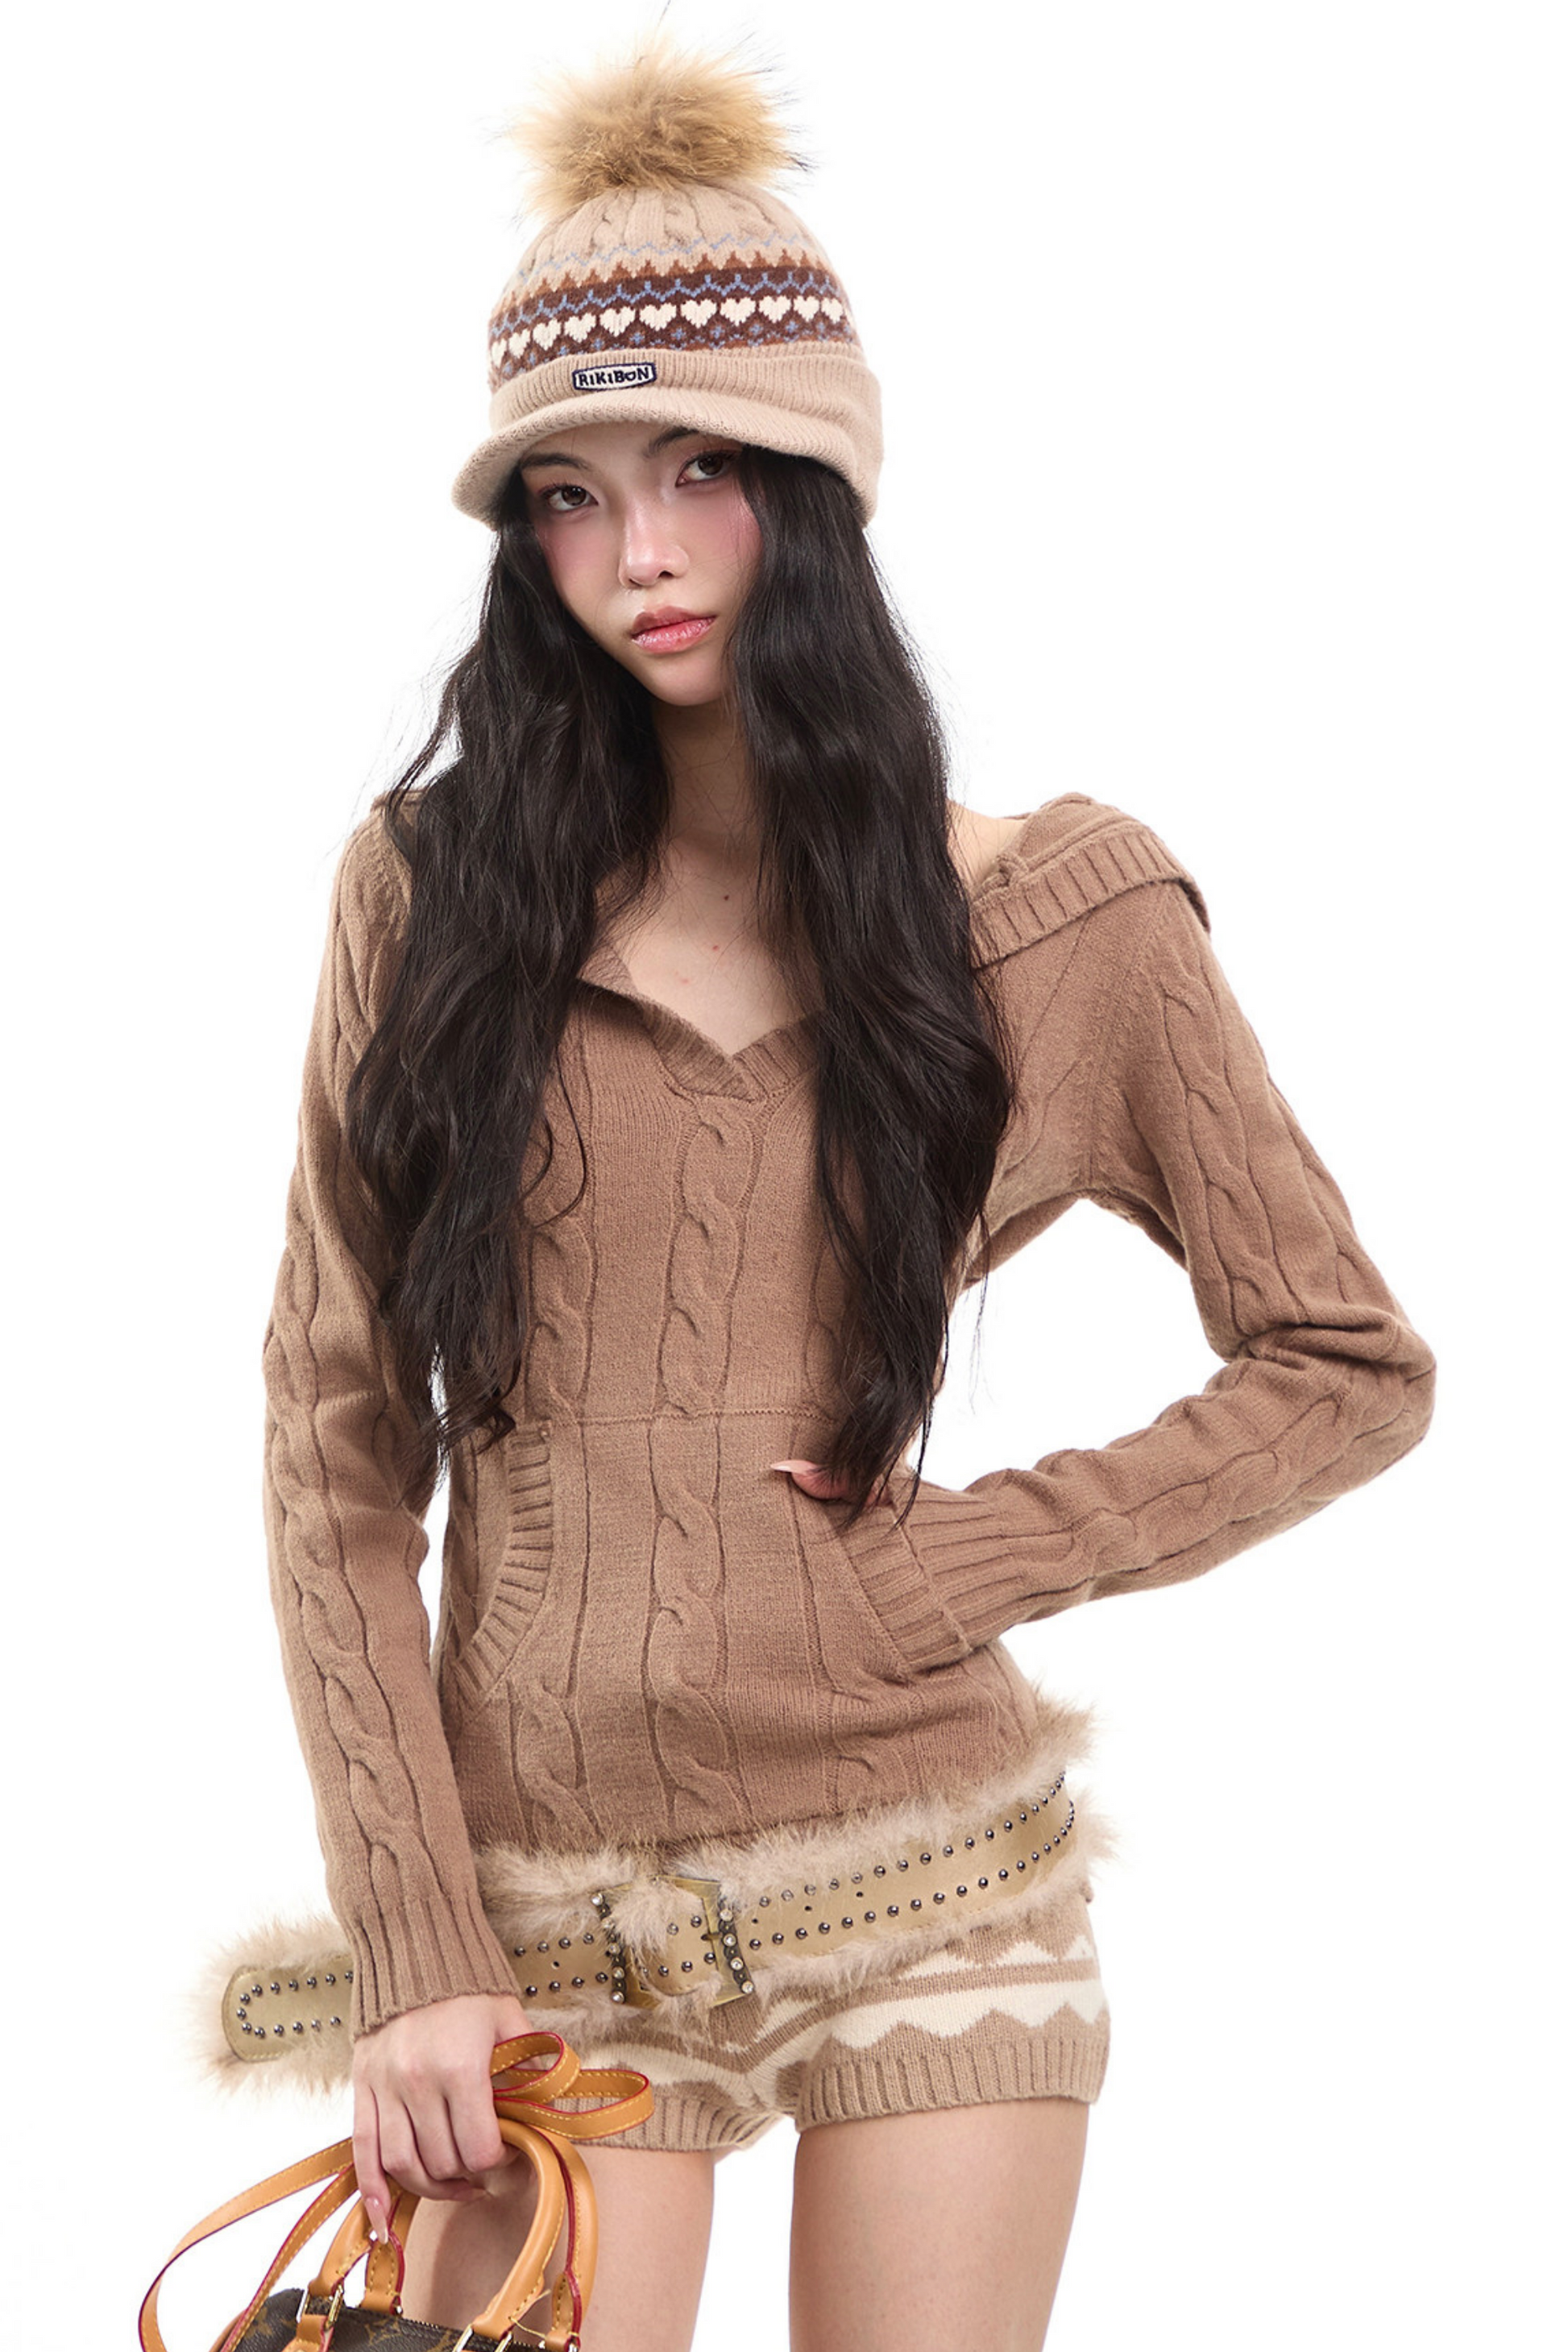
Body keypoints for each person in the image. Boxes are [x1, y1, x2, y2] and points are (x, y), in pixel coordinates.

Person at [245, 30, 1437, 2350]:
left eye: (701, 467)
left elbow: (1345, 1363)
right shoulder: (430, 898)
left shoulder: (1058, 919)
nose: (639, 553)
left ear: (817, 474)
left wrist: (976, 1556)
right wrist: (412, 1943)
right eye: (567, 493)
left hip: (930, 1867)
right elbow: (334, 1440)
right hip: (546, 1904)